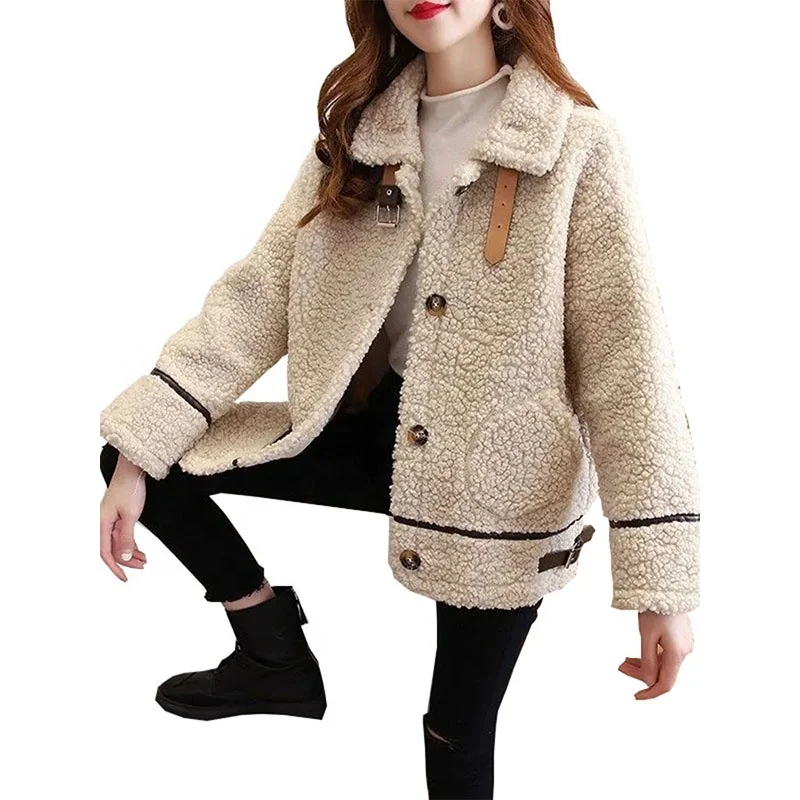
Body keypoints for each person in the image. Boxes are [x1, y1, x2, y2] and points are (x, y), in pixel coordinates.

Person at [99, 2, 701, 797]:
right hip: (378, 436)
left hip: (504, 483)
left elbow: (629, 367)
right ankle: (273, 655)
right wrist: (142, 444)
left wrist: (660, 588)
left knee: (456, 732)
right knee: (144, 454)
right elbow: (260, 297)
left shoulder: (575, 143)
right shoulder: (358, 138)